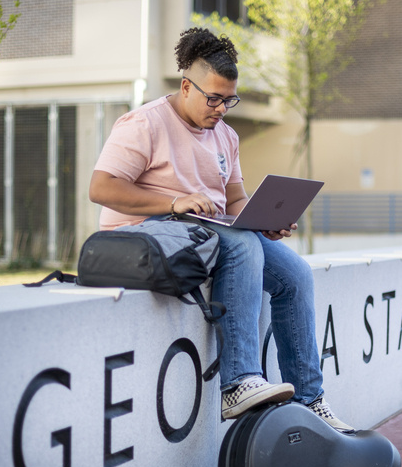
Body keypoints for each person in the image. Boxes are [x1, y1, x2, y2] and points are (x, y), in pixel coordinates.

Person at [89, 28, 354, 433]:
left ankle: (309, 398)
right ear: (185, 86)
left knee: (295, 275)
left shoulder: (225, 136)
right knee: (243, 244)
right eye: (213, 98)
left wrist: (264, 221)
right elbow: (102, 188)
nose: (221, 108)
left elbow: (234, 202)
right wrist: (173, 202)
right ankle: (239, 381)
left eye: (229, 99)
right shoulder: (144, 123)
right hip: (147, 232)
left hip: (207, 232)